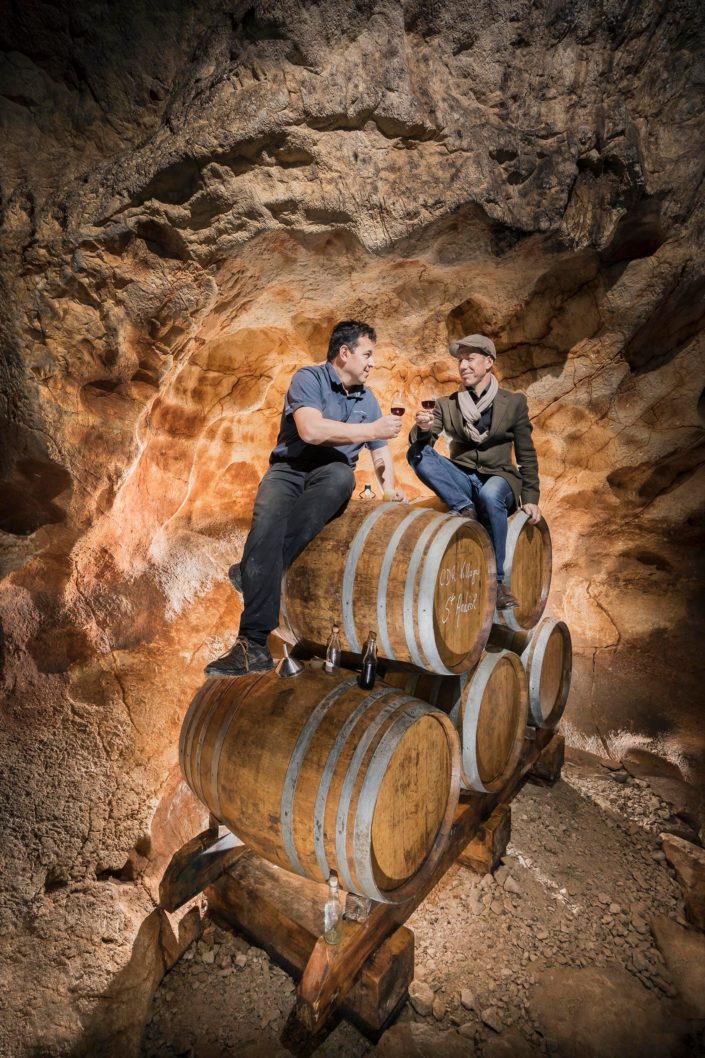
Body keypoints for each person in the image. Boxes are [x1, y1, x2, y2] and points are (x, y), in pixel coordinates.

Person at [205, 320, 405, 677]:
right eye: (367, 354)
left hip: (332, 471)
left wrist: (390, 488)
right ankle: (253, 646)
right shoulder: (308, 379)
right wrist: (371, 429)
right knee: (266, 522)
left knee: (341, 477)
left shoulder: (368, 398)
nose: (373, 362)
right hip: (290, 468)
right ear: (344, 353)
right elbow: (310, 430)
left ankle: (253, 572)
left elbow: (379, 455)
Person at [407, 334, 541, 610]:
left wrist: (531, 496)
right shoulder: (447, 404)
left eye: (470, 359)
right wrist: (422, 429)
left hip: (500, 478)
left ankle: (498, 583)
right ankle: (466, 508)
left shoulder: (514, 403)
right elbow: (426, 442)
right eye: (460, 360)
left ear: (489, 362)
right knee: (417, 453)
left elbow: (526, 453)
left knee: (491, 494)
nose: (464, 366)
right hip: (463, 478)